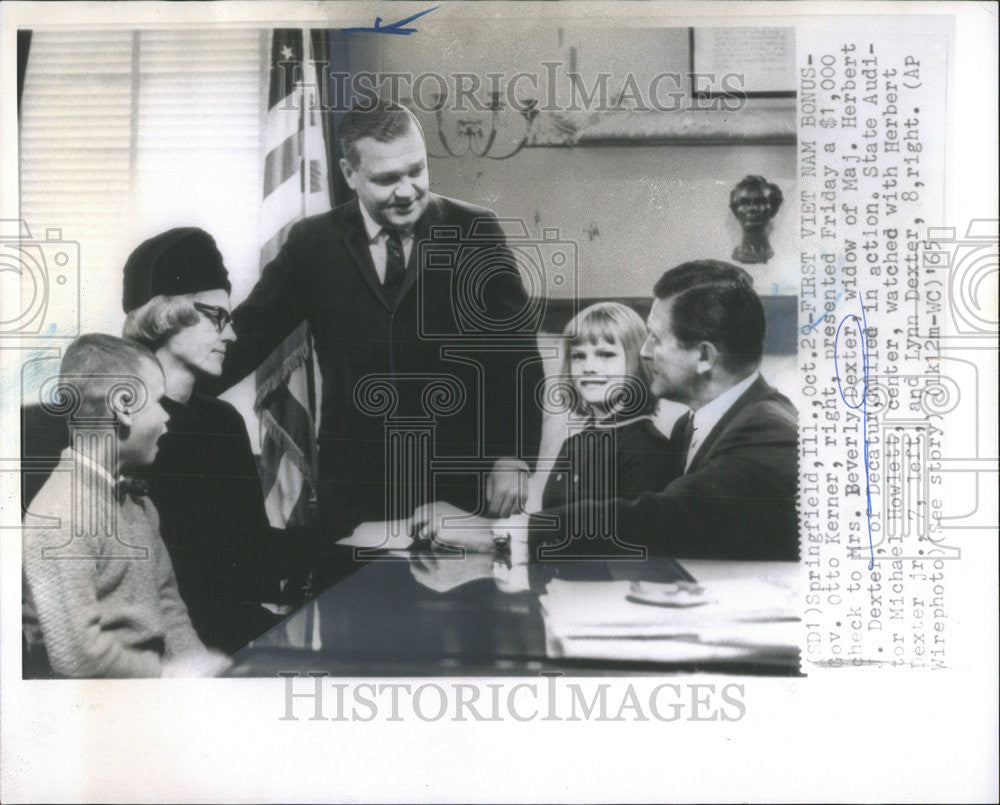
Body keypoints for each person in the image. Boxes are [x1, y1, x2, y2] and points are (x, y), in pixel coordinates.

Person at [218, 99, 543, 540]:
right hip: (355, 488)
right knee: (352, 607)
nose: (407, 190)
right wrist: (159, 386)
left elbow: (516, 355)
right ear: (350, 174)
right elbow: (248, 335)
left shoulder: (476, 232)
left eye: (416, 170)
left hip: (457, 484)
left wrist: (513, 457)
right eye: (387, 179)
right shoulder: (312, 244)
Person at [410, 260, 799, 563]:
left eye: (656, 339)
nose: (644, 353)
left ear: (703, 356)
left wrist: (498, 532)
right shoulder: (693, 425)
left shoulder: (767, 431)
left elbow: (658, 520)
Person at [121, 227, 304, 654]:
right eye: (216, 317)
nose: (232, 335)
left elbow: (252, 550)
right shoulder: (122, 424)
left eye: (231, 319)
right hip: (157, 646)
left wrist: (360, 540)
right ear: (164, 316)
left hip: (230, 631)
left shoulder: (221, 421)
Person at [22, 334, 229, 678]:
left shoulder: (138, 504)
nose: (167, 417)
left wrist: (202, 676)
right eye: (159, 401)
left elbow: (169, 607)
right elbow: (74, 657)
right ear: (123, 404)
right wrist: (170, 677)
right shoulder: (59, 515)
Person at [540, 301, 677, 512]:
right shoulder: (574, 443)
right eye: (578, 356)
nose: (589, 368)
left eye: (605, 354)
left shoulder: (647, 448)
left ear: (635, 362)